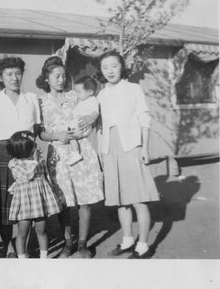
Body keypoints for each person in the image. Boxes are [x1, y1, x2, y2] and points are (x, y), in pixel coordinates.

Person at [36, 56, 104, 258]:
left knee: (85, 199)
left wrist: (92, 117)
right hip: (58, 153)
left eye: (63, 76)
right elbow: (40, 132)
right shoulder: (40, 102)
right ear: (46, 78)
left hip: (81, 152)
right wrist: (56, 135)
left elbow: (95, 105)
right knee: (64, 201)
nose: (61, 79)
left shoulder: (75, 96)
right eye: (56, 76)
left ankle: (82, 243)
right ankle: (68, 242)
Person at [97, 50, 159, 259]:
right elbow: (99, 127)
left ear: (122, 66)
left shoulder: (133, 89)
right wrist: (101, 153)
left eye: (114, 66)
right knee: (120, 200)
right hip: (110, 150)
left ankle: (143, 245)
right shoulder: (102, 94)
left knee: (138, 199)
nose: (110, 71)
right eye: (105, 67)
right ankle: (127, 240)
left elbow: (144, 118)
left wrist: (145, 148)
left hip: (131, 147)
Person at [0, 56, 42, 258]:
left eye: (18, 73)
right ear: (1, 76)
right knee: (6, 204)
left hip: (27, 154)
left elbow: (37, 128)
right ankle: (9, 247)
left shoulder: (31, 98)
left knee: (26, 202)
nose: (14, 78)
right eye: (9, 74)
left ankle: (23, 247)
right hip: (3, 153)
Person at [6, 131, 65, 259]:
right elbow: (27, 176)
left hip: (39, 200)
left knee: (41, 230)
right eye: (33, 146)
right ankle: (22, 259)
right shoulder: (15, 163)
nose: (37, 148)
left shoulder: (38, 161)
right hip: (24, 202)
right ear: (24, 150)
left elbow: (44, 175)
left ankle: (43, 258)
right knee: (22, 232)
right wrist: (36, 161)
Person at [65, 76, 100, 166]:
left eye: (79, 92)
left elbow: (95, 112)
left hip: (83, 125)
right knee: (70, 136)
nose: (76, 94)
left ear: (90, 92)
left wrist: (90, 118)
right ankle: (75, 152)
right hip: (78, 125)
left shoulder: (92, 100)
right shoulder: (81, 101)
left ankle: (75, 153)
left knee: (70, 136)